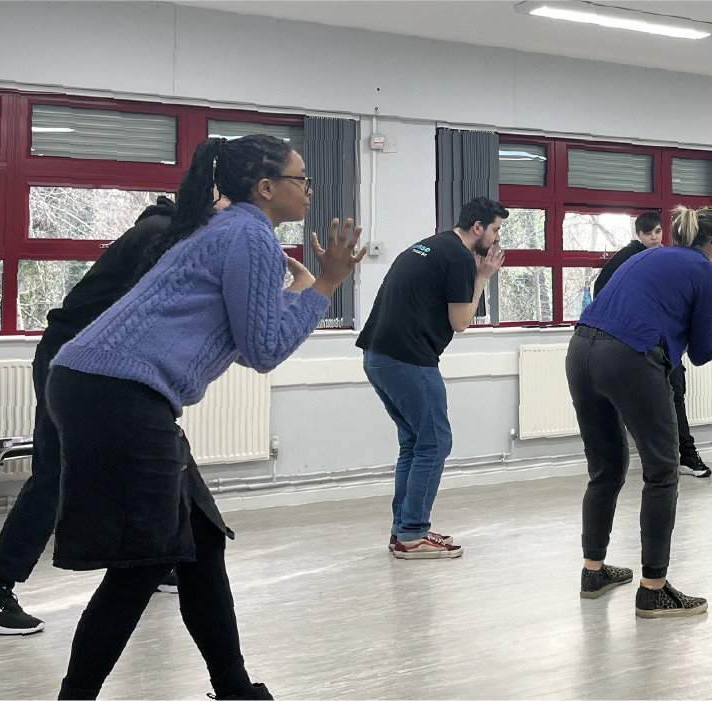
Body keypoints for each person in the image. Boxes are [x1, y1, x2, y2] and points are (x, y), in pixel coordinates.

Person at [44, 134, 364, 701]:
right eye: (301, 179)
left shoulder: (232, 230)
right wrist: (329, 282)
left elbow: (247, 340)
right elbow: (265, 352)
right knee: (145, 561)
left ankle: (235, 688)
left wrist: (300, 289)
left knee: (199, 541)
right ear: (266, 189)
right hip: (118, 392)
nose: (309, 189)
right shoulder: (249, 235)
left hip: (101, 385)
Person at [0, 195, 224, 636]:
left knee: (159, 463)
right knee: (57, 474)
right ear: (215, 197)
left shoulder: (171, 232)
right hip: (78, 364)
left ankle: (153, 560)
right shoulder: (160, 236)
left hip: (107, 365)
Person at [570, 205, 712, 617]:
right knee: (663, 471)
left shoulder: (654, 254)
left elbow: (669, 305)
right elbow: (702, 353)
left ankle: (593, 571)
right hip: (629, 356)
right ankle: (654, 588)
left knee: (607, 469)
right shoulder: (705, 272)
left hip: (581, 350)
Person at [357, 196, 506, 559]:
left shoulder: (430, 245)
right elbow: (461, 322)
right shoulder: (457, 256)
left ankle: (404, 530)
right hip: (408, 359)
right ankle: (412, 533)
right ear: (477, 229)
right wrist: (483, 277)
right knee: (435, 443)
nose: (497, 240)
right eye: (496, 230)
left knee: (414, 443)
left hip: (378, 355)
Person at [592, 212, 712, 478]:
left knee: (677, 394)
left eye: (658, 232)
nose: (655, 237)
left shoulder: (665, 257)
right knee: (662, 399)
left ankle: (684, 455)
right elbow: (601, 289)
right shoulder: (631, 257)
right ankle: (672, 458)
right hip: (639, 344)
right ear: (639, 235)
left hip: (664, 342)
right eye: (649, 234)